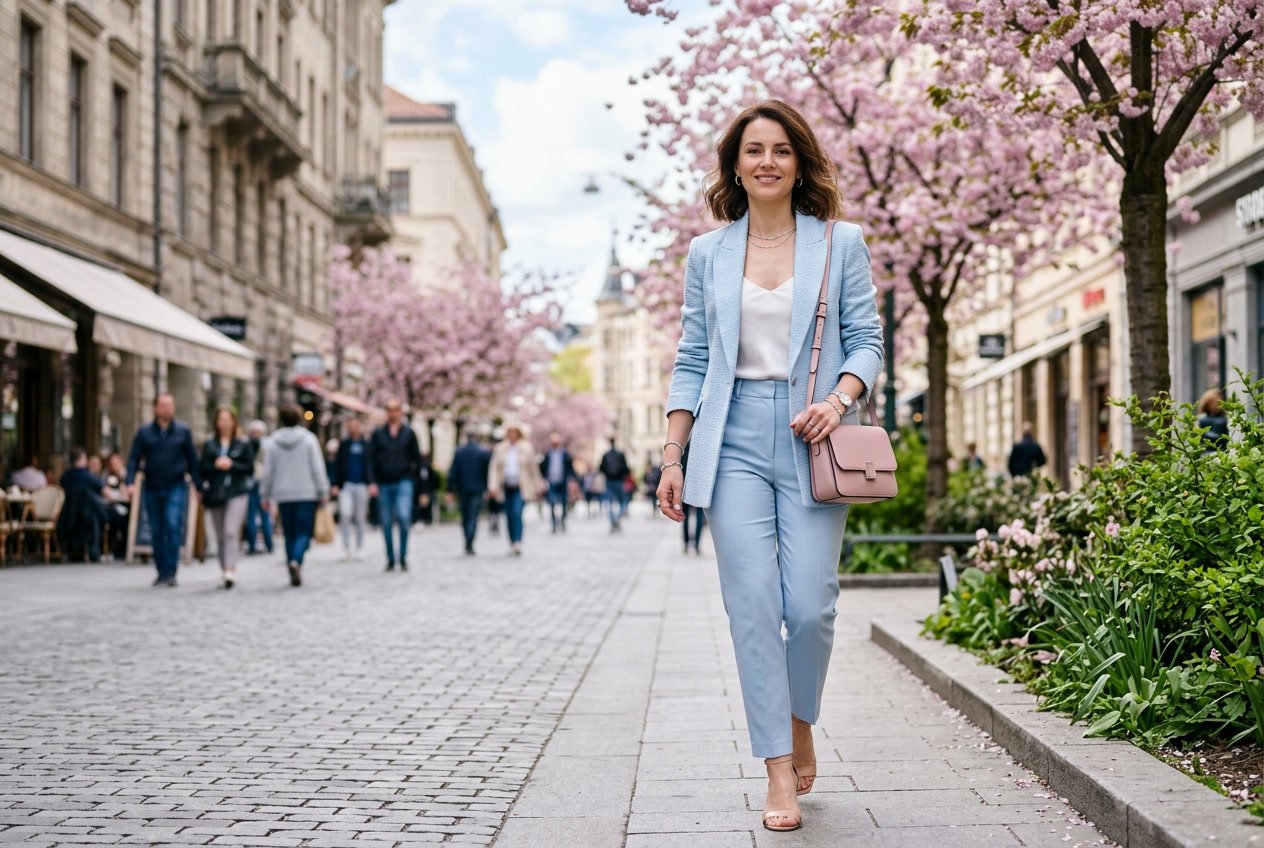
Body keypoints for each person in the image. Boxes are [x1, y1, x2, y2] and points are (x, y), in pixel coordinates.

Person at [655, 101, 884, 833]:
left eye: (780, 150)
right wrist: (671, 453)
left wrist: (841, 400)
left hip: (812, 433)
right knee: (752, 606)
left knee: (810, 605)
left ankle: (798, 714)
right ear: (734, 165)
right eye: (752, 150)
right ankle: (777, 770)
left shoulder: (839, 243)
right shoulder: (706, 253)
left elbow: (866, 343)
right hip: (731, 441)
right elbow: (693, 358)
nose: (766, 162)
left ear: (798, 161)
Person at [125, 393, 201, 587]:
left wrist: (198, 485)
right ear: (155, 408)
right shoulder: (144, 432)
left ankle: (172, 571)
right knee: (157, 530)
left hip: (175, 485)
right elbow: (133, 458)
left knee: (172, 524)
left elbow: (192, 460)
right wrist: (130, 482)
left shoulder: (183, 431)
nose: (166, 409)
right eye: (163, 405)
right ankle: (161, 572)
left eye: (169, 405)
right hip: (152, 486)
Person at [260, 403, 329, 587]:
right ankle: (296, 561)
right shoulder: (309, 440)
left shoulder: (273, 442)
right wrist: (323, 491)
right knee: (303, 532)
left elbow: (267, 472)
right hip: (306, 493)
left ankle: (291, 561)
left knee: (289, 533)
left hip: (283, 495)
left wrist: (265, 495)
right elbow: (317, 468)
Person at [199, 408, 255, 589]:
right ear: (216, 422)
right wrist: (215, 465)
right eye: (221, 420)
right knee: (220, 534)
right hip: (216, 493)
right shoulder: (210, 444)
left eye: (227, 419)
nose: (224, 423)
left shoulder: (243, 444)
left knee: (231, 531)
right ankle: (224, 568)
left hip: (237, 491)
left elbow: (249, 468)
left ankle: (230, 570)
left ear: (234, 422)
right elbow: (202, 468)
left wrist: (232, 465)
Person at [367, 397, 421, 572]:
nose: (393, 413)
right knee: (386, 522)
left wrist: (417, 482)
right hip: (383, 482)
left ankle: (403, 556)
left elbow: (417, 459)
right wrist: (372, 482)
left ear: (401, 412)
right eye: (389, 410)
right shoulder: (378, 434)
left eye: (396, 409)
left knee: (404, 517)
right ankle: (391, 558)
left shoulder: (409, 433)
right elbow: (371, 460)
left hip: (404, 481)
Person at [487, 424, 544, 557]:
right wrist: (492, 486)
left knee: (516, 513)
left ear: (519, 434)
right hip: (505, 486)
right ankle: (512, 541)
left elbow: (533, 469)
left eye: (514, 432)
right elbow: (494, 469)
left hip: (521, 487)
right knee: (508, 515)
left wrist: (538, 485)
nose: (512, 435)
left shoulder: (526, 448)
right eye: (510, 432)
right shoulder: (500, 448)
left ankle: (518, 541)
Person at [57, 447, 109, 562]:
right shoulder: (88, 476)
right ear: (81, 459)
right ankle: (99, 550)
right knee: (104, 515)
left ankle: (74, 550)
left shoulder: (65, 477)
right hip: (88, 516)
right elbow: (106, 492)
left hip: (68, 516)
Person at [330, 417, 370, 560]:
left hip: (362, 485)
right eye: (351, 426)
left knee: (360, 517)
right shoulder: (344, 445)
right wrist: (335, 484)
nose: (354, 428)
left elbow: (371, 465)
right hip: (346, 485)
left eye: (356, 425)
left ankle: (360, 547)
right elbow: (337, 465)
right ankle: (346, 548)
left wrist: (371, 483)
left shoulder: (366, 445)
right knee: (345, 515)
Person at [448, 433, 491, 555]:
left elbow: (453, 472)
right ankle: (470, 542)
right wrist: (487, 488)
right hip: (477, 489)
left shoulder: (460, 452)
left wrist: (450, 489)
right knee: (473, 517)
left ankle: (467, 540)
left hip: (463, 489)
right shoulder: (483, 452)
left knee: (465, 517)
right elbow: (487, 472)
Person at [243, 420, 275, 556]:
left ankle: (255, 545)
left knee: (257, 515)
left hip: (255, 482)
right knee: (262, 514)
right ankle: (266, 544)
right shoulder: (268, 444)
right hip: (260, 482)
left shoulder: (246, 443)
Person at [539, 432, 576, 533]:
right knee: (552, 502)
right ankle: (554, 523)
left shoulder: (565, 454)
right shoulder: (548, 454)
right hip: (551, 482)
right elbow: (542, 468)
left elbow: (570, 468)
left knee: (564, 502)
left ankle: (563, 520)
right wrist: (543, 480)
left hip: (563, 482)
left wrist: (572, 481)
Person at [598, 439, 631, 533]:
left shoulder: (606, 455)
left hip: (609, 481)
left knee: (608, 502)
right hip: (619, 481)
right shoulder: (620, 454)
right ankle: (617, 519)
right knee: (623, 501)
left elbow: (601, 468)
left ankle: (613, 520)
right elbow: (626, 468)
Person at [679, 444, 706, 555]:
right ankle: (696, 544)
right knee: (699, 517)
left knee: (685, 517)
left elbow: (681, 468)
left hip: (686, 487)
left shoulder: (684, 448)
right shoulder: (703, 448)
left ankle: (686, 543)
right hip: (700, 487)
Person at [102, 452, 130, 560]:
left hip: (125, 505)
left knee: (124, 518)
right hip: (111, 505)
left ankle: (122, 548)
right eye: (111, 463)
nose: (114, 466)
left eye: (116, 463)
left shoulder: (126, 474)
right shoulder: (106, 475)